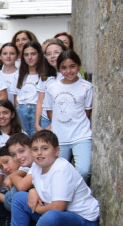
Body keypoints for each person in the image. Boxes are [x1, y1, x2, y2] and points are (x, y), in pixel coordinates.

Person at [0, 131, 100, 226]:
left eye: (45, 148)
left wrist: (38, 209)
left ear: (56, 151)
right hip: (62, 216)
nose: (39, 153)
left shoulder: (61, 169)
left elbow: (58, 207)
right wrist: (33, 191)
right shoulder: (37, 166)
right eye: (35, 149)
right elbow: (34, 186)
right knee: (19, 198)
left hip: (84, 221)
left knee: (51, 215)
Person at [38, 50, 93, 183]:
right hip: (60, 137)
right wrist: (58, 124)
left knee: (84, 170)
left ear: (79, 65)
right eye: (64, 67)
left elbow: (87, 112)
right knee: (59, 172)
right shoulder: (52, 87)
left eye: (72, 66)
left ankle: (77, 196)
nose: (68, 71)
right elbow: (50, 110)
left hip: (81, 135)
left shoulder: (86, 87)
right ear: (59, 68)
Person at [14, 41, 53, 137]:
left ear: (39, 55)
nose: (29, 57)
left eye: (33, 54)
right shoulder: (18, 75)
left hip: (37, 110)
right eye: (26, 55)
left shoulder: (45, 75)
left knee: (37, 138)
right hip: (21, 110)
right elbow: (16, 97)